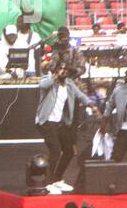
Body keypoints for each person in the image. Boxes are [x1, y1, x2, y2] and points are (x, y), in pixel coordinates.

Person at [35, 57, 91, 193]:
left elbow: (80, 95)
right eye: (60, 68)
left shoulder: (69, 84)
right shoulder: (48, 79)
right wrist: (54, 76)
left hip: (60, 122)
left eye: (65, 69)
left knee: (69, 151)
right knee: (55, 150)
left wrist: (92, 105)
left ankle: (57, 179)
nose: (63, 71)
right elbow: (42, 85)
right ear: (55, 70)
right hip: (46, 121)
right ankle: (48, 183)